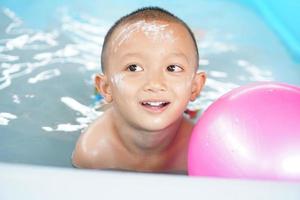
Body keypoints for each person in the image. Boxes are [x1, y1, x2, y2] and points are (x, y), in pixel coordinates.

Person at [72, 6, 206, 174]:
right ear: (106, 88)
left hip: (166, 103)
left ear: (196, 87)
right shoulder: (93, 152)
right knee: (105, 104)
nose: (155, 83)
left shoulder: (198, 148)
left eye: (172, 68)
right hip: (113, 101)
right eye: (134, 67)